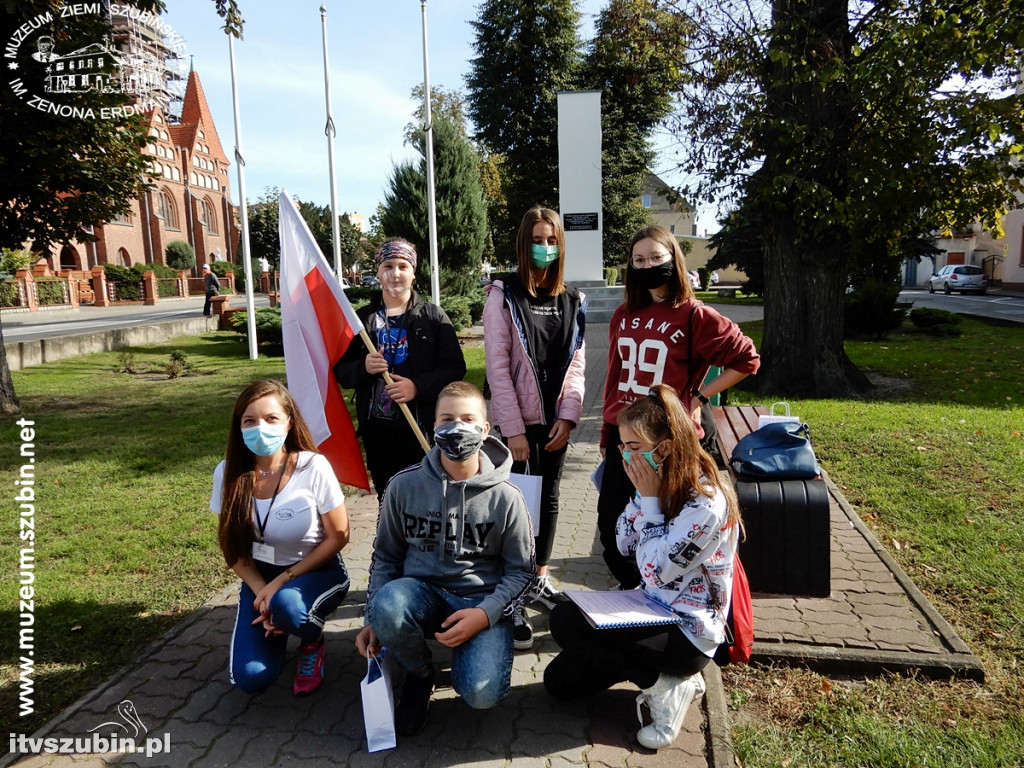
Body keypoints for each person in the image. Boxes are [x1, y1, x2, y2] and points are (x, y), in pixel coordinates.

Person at [544, 384, 741, 750]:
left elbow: (654, 570)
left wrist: (648, 505)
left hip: (686, 631)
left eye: (634, 448)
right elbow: (621, 542)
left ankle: (667, 686)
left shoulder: (706, 503)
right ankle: (647, 672)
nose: (625, 457)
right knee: (559, 682)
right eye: (622, 446)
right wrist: (644, 499)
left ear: (665, 448)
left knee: (566, 623)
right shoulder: (653, 480)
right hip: (647, 610)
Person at [354, 381, 535, 738]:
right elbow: (386, 557)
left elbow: (522, 572)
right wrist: (372, 616)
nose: (457, 427)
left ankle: (470, 651)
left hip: (478, 602)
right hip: (420, 593)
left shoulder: (508, 496)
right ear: (433, 427)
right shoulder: (402, 486)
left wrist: (486, 615)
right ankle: (420, 675)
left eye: (468, 419)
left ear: (485, 430)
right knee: (386, 607)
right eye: (447, 419)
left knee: (482, 694)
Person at [599, 225, 759, 589]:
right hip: (626, 441)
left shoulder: (694, 314)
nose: (648, 265)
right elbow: (615, 375)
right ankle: (634, 591)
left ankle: (662, 597)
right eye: (639, 260)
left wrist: (699, 397)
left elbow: (747, 359)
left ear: (674, 258)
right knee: (614, 528)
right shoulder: (623, 314)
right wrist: (609, 432)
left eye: (657, 257)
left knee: (670, 524)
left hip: (669, 443)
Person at [482, 206, 586, 650]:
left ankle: (539, 578)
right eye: (537, 240)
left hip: (555, 421)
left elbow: (578, 364)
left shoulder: (572, 299)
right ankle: (513, 592)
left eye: (552, 240)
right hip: (518, 424)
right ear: (524, 245)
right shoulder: (503, 294)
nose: (545, 248)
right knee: (518, 505)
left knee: (551, 497)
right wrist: (513, 428)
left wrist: (569, 415)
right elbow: (498, 367)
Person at [210, 379, 351, 696]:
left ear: (289, 423)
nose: (260, 427)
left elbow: (339, 536)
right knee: (251, 678)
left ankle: (311, 643)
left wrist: (280, 585)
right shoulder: (227, 473)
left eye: (271, 418)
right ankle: (280, 619)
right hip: (260, 579)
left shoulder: (313, 467)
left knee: (289, 606)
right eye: (250, 420)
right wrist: (263, 592)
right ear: (239, 426)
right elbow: (232, 550)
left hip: (316, 570)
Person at [333, 238, 466, 498]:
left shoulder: (432, 317)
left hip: (421, 426)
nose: (396, 274)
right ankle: (389, 538)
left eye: (403, 266)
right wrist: (363, 367)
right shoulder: (361, 320)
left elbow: (454, 367)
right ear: (378, 272)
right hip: (377, 432)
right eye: (388, 266)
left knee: (425, 497)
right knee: (388, 497)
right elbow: (341, 371)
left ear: (413, 272)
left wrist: (417, 386)